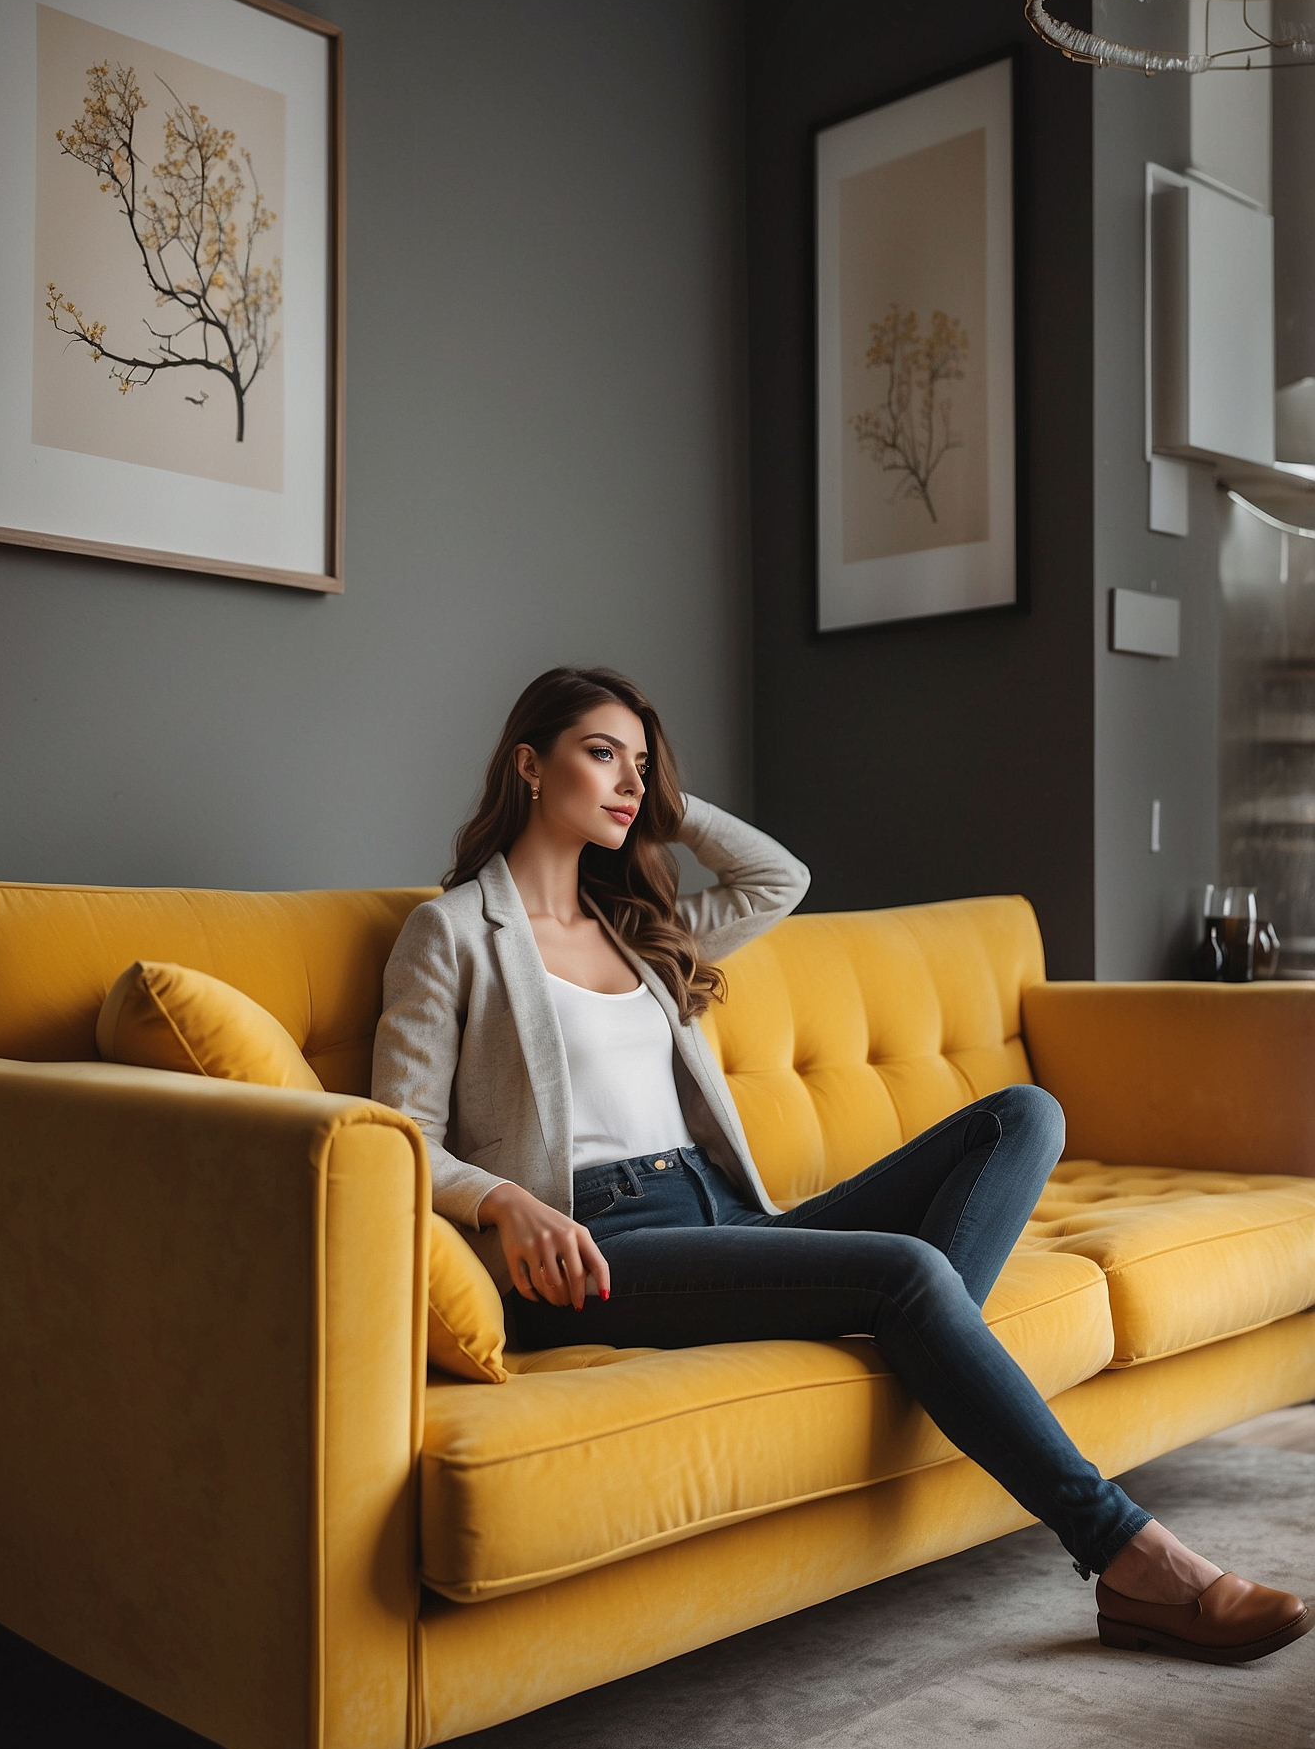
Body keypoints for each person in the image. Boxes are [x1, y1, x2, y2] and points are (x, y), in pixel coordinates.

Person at [373, 665, 1310, 1665]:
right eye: (602, 754)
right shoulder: (453, 934)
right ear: (528, 764)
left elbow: (778, 879)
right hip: (603, 1247)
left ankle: (931, 1341)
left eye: (642, 765)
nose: (630, 784)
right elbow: (399, 1135)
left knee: (1023, 1115)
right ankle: (1133, 1559)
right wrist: (507, 1200)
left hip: (729, 1214)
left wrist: (669, 804)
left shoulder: (637, 927)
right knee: (908, 1275)